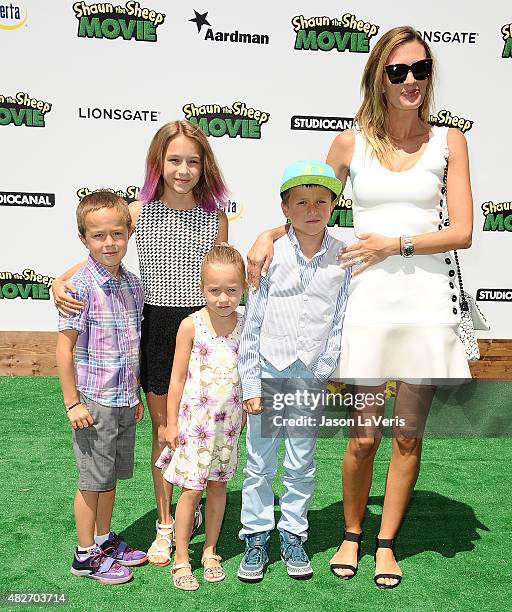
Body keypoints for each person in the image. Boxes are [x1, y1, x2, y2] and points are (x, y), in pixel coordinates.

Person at [246, 27, 473, 588]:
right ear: (378, 76)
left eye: (420, 69)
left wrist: (395, 244)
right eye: (398, 71)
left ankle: (386, 544)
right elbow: (311, 203)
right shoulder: (350, 144)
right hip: (366, 301)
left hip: (423, 301)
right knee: (364, 435)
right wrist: (270, 233)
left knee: (407, 436)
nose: (411, 80)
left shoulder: (450, 141)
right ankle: (350, 534)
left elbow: (464, 231)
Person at [51, 120, 229, 566]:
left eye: (193, 160)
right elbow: (98, 254)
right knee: (166, 432)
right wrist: (59, 279)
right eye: (174, 160)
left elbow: (221, 278)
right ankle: (165, 527)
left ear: (204, 164)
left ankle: (198, 509)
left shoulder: (217, 216)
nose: (184, 169)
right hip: (155, 332)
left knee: (202, 425)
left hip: (202, 330)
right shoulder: (136, 210)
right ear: (158, 163)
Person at [237, 161, 351, 582]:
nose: (312, 209)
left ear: (335, 205)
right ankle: (255, 535)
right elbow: (252, 322)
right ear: (284, 207)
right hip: (268, 365)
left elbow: (338, 320)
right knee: (259, 462)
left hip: (309, 374)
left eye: (322, 200)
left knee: (302, 461)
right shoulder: (268, 254)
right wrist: (251, 381)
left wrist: (319, 372)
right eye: (301, 201)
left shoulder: (345, 257)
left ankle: (293, 534)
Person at [56, 191, 147, 584]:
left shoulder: (132, 283)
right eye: (98, 236)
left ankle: (104, 539)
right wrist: (72, 402)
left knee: (109, 477)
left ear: (129, 232)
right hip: (93, 403)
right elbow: (65, 348)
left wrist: (137, 392)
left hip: (124, 399)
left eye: (117, 233)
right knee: (91, 481)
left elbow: (133, 342)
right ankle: (84, 555)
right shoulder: (79, 286)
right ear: (83, 239)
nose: (109, 243)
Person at [155, 244, 246, 590]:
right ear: (201, 286)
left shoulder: (248, 323)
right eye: (214, 290)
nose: (223, 298)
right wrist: (171, 423)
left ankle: (210, 550)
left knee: (218, 487)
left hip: (229, 427)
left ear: (243, 288)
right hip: (195, 427)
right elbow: (176, 378)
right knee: (190, 491)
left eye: (231, 290)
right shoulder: (190, 326)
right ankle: (181, 557)